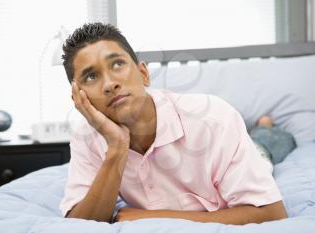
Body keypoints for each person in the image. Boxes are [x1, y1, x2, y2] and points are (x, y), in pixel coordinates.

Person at [60, 22, 292, 224]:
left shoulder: (214, 119)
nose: (109, 84)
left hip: (249, 150)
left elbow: (271, 212)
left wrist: (155, 217)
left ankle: (266, 127)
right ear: (79, 97)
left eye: (117, 64)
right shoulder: (86, 137)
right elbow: (79, 224)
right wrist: (117, 148)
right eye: (91, 77)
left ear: (144, 74)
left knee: (268, 146)